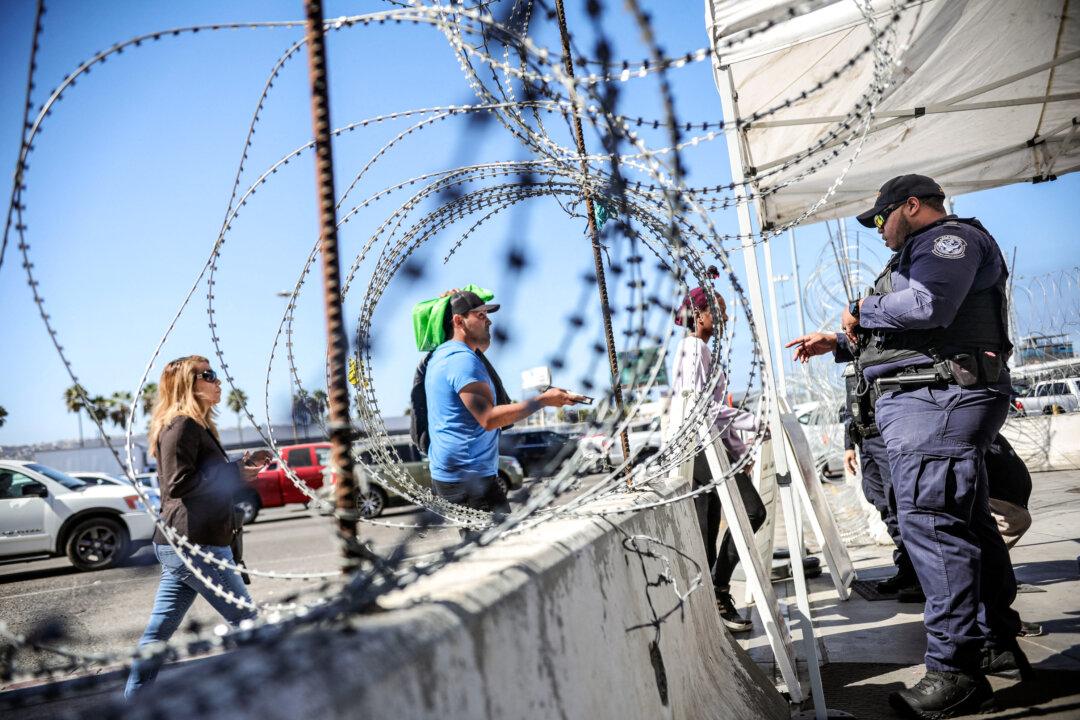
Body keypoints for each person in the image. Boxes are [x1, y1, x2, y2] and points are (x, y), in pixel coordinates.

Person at [787, 174, 1028, 718]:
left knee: (934, 528)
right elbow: (915, 330)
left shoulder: (948, 241)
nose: (877, 231)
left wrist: (859, 310)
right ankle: (992, 643)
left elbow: (929, 308)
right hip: (929, 400)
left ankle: (953, 671)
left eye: (880, 219)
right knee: (962, 520)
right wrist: (843, 340)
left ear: (912, 206)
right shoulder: (918, 252)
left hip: (939, 401)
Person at [124, 356, 270, 698]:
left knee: (157, 634)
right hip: (194, 544)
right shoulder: (181, 426)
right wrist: (234, 472)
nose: (217, 381)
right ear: (187, 384)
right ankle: (271, 696)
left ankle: (133, 704)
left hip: (190, 541)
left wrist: (238, 468)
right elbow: (178, 483)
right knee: (247, 622)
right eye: (209, 375)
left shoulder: (196, 426)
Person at [425, 290, 582, 514]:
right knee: (501, 543)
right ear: (459, 321)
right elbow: (488, 419)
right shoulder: (461, 361)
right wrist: (543, 401)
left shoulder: (443, 354)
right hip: (469, 478)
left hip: (457, 473)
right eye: (480, 315)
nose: (488, 320)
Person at [670, 286, 763, 633]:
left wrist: (739, 452)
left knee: (708, 531)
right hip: (697, 447)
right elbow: (702, 409)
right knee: (751, 512)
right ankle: (719, 590)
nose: (724, 317)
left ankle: (714, 601)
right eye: (718, 310)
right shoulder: (692, 351)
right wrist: (755, 423)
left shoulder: (700, 350)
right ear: (699, 315)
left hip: (707, 447)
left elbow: (714, 413)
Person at [842, 366, 922, 601]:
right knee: (880, 500)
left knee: (900, 502)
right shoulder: (853, 356)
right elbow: (850, 404)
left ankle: (922, 574)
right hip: (865, 439)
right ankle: (908, 569)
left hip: (886, 435)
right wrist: (849, 445)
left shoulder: (877, 348)